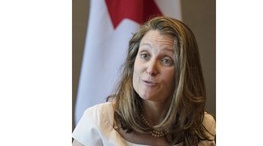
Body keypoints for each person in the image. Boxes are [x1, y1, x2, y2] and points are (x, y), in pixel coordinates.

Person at [72, 16, 216, 146]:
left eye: (166, 60)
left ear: (184, 72)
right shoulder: (98, 120)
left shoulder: (203, 126)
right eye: (145, 55)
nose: (151, 69)